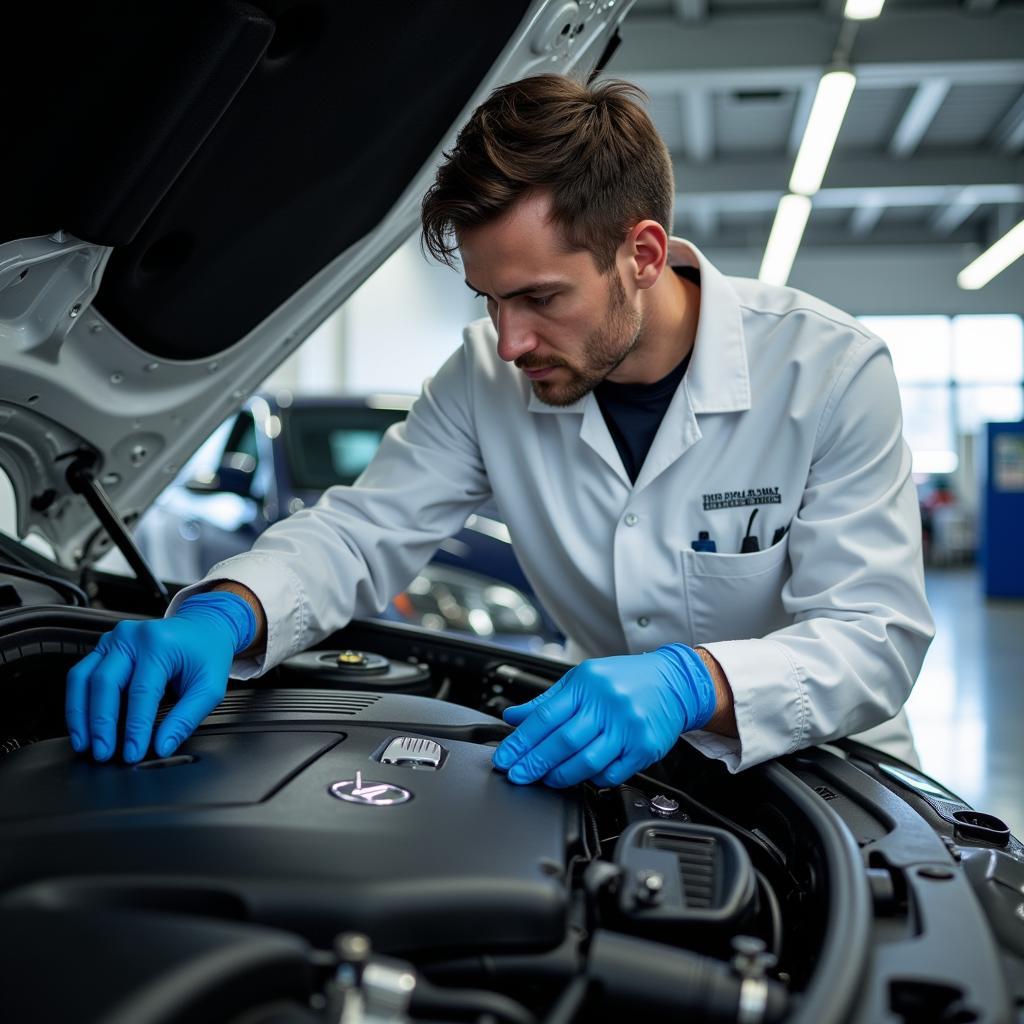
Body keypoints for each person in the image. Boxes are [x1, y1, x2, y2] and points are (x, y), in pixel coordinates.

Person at [65, 75, 934, 784]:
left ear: (641, 253)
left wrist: (691, 680)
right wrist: (226, 612)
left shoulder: (827, 371)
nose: (510, 340)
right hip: (635, 776)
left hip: (836, 781)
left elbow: (872, 636)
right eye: (489, 299)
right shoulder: (484, 377)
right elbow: (363, 534)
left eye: (540, 297)